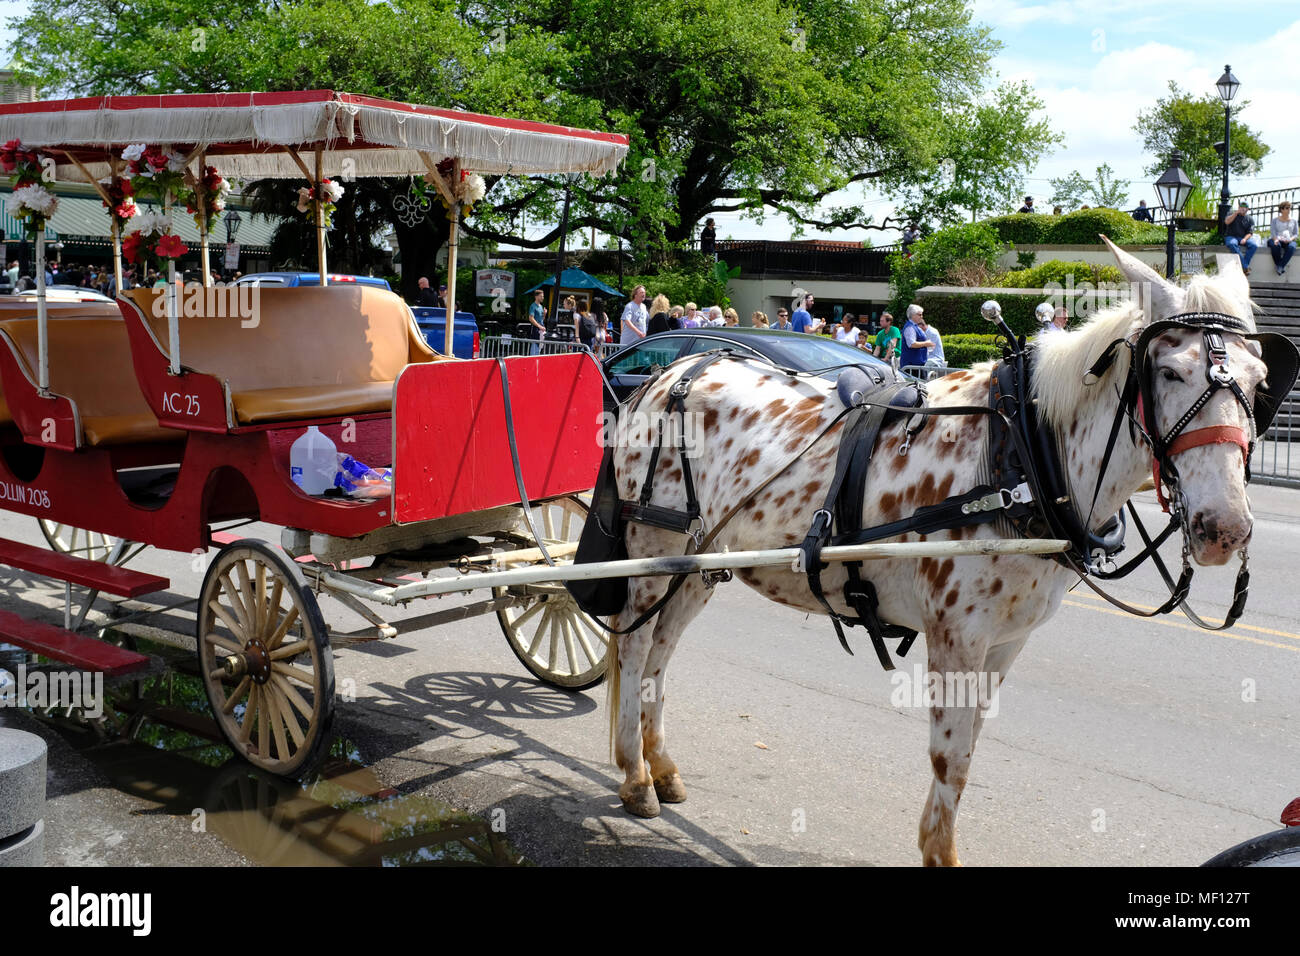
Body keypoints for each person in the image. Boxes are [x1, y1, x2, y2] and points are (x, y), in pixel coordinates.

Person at [1224, 200, 1259, 275]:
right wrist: (1236, 213)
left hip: (1242, 237)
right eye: (1241, 207)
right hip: (1231, 236)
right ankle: (1245, 266)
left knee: (1254, 245)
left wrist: (1245, 239)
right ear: (1238, 207)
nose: (1242, 208)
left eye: (1245, 207)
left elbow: (1250, 233)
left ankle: (1243, 266)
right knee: (1232, 244)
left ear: (1247, 209)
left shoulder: (1250, 219)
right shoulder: (1231, 213)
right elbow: (1227, 222)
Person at [900, 304, 933, 370]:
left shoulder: (914, 326)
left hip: (917, 364)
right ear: (913, 315)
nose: (922, 317)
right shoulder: (910, 327)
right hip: (912, 365)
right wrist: (926, 343)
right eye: (919, 315)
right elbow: (912, 344)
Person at [1269, 201, 1297, 277]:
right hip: (1277, 239)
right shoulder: (1275, 220)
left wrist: (1290, 239)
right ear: (1281, 209)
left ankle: (1280, 266)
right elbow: (1273, 232)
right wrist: (1275, 239)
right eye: (1287, 208)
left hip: (1289, 240)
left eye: (1290, 208)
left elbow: (1295, 234)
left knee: (1292, 247)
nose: (1289, 210)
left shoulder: (1294, 221)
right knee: (1276, 245)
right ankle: (1280, 266)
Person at [527, 288, 547, 354]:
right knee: (534, 346)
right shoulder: (533, 306)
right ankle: (532, 361)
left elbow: (542, 319)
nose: (542, 298)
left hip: (541, 329)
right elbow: (531, 318)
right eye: (541, 296)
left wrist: (544, 314)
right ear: (536, 296)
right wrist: (540, 327)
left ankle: (536, 361)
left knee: (540, 347)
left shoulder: (541, 306)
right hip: (535, 329)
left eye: (543, 296)